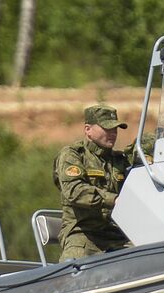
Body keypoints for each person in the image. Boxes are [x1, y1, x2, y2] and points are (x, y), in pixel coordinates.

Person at [53, 104, 134, 261]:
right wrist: (113, 199)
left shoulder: (120, 161)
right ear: (88, 130)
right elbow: (75, 191)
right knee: (75, 267)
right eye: (107, 129)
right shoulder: (73, 155)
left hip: (116, 235)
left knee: (146, 256)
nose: (113, 133)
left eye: (115, 129)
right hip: (82, 233)